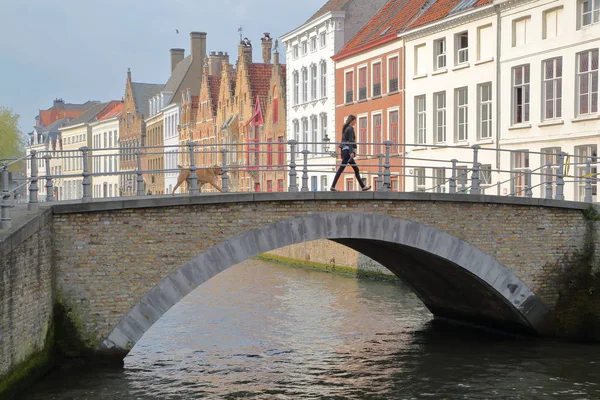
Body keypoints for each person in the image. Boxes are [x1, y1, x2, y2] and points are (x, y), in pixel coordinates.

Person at [330, 114, 371, 191]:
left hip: (345, 151)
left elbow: (344, 142)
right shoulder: (351, 128)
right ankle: (363, 187)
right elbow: (351, 141)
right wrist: (352, 152)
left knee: (349, 169)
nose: (355, 122)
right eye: (355, 121)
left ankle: (362, 186)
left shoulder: (345, 128)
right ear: (352, 120)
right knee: (353, 169)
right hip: (348, 152)